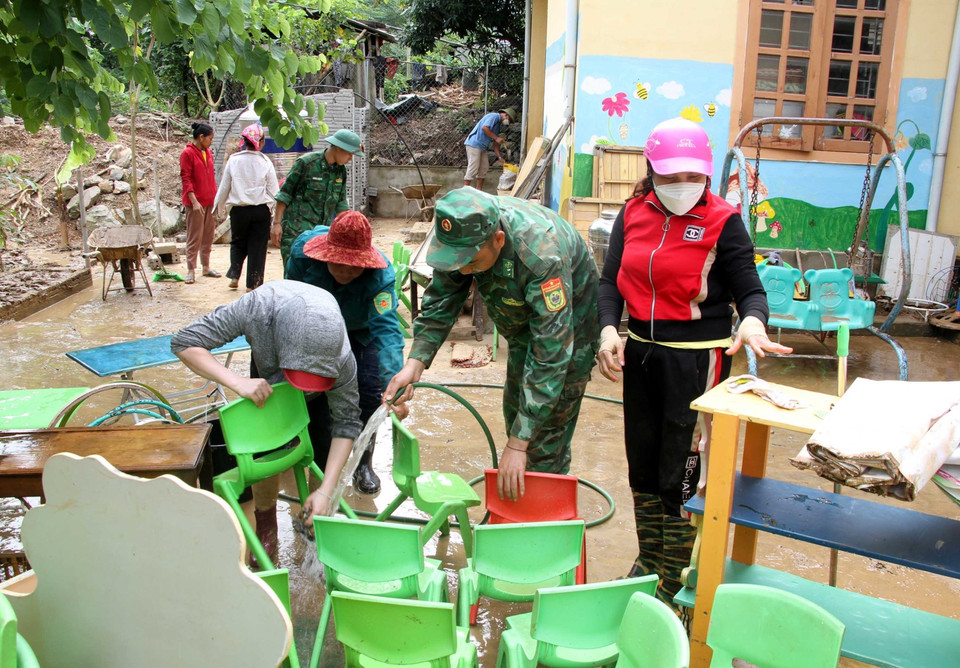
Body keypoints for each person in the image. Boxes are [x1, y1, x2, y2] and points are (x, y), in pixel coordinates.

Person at [595, 117, 791, 605]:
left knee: (681, 469)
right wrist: (606, 331)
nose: (682, 186)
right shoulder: (634, 211)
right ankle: (652, 559)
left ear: (705, 173)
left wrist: (752, 323)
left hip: (696, 363)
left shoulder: (724, 220)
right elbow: (608, 281)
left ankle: (677, 578)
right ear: (652, 171)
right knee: (642, 462)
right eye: (670, 177)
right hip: (639, 356)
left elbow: (750, 289)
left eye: (692, 176)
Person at [384, 187, 599, 502]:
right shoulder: (463, 235)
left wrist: (519, 443)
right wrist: (414, 363)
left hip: (570, 330)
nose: (463, 270)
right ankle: (523, 500)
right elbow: (442, 298)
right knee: (515, 412)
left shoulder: (540, 255)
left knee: (543, 438)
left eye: (470, 262)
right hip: (524, 330)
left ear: (498, 239)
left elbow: (551, 354)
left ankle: (543, 518)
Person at [170, 280, 366, 565]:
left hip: (325, 383)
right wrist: (236, 382)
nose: (306, 391)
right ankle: (266, 526)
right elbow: (184, 342)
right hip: (267, 380)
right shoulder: (257, 308)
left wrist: (326, 490)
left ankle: (317, 524)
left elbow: (347, 422)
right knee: (264, 449)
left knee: (323, 454)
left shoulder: (342, 359)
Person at [286, 210, 405, 494]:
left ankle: (363, 462)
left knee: (369, 391)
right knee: (313, 391)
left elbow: (387, 332)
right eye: (338, 264)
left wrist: (395, 384)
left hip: (361, 332)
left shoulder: (381, 277)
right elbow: (289, 302)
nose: (345, 271)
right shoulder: (302, 257)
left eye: (354, 266)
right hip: (316, 327)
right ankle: (317, 458)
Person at [271, 129, 365, 268]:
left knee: (316, 276)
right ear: (338, 148)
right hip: (295, 232)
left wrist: (348, 230)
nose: (350, 158)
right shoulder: (306, 163)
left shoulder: (341, 171)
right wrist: (277, 224)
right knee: (294, 275)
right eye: (349, 154)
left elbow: (341, 203)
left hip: (321, 234)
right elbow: (285, 194)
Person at [214, 123, 280, 292]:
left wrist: (218, 207)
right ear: (262, 141)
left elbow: (224, 186)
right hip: (260, 211)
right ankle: (253, 284)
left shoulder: (234, 160)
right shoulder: (265, 162)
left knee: (237, 242)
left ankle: (235, 275)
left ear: (243, 141)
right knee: (257, 246)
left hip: (238, 210)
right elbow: (274, 191)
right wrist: (274, 212)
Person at [179, 121, 221, 284]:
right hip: (195, 203)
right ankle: (190, 269)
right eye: (210, 138)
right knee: (194, 235)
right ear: (201, 137)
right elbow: (186, 179)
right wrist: (194, 201)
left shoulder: (208, 153)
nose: (211, 141)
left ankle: (206, 266)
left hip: (209, 200)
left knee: (208, 235)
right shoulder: (187, 153)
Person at [463, 108, 516, 190]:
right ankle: (465, 190)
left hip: (482, 146)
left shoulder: (497, 124)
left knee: (484, 167)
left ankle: (479, 189)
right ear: (506, 115)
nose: (508, 122)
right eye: (509, 120)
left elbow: (496, 144)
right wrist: (496, 137)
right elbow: (485, 128)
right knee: (473, 166)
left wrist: (499, 157)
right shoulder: (493, 116)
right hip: (474, 144)